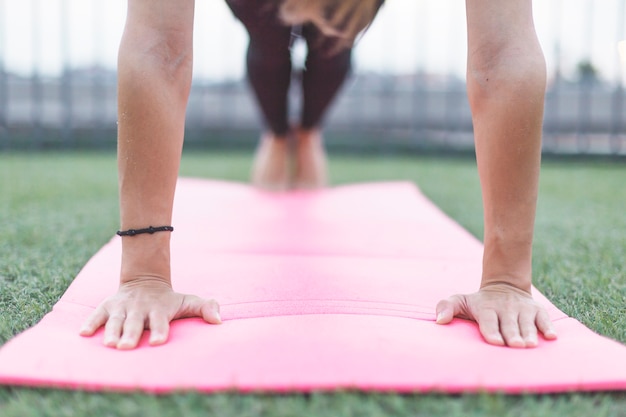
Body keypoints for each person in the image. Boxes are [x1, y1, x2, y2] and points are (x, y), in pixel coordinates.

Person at [79, 0, 558, 350]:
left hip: (340, 21)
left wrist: (506, 280)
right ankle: (279, 136)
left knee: (329, 59)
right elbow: (159, 48)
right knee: (270, 63)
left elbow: (502, 53)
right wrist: (144, 274)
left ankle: (305, 134)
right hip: (260, 14)